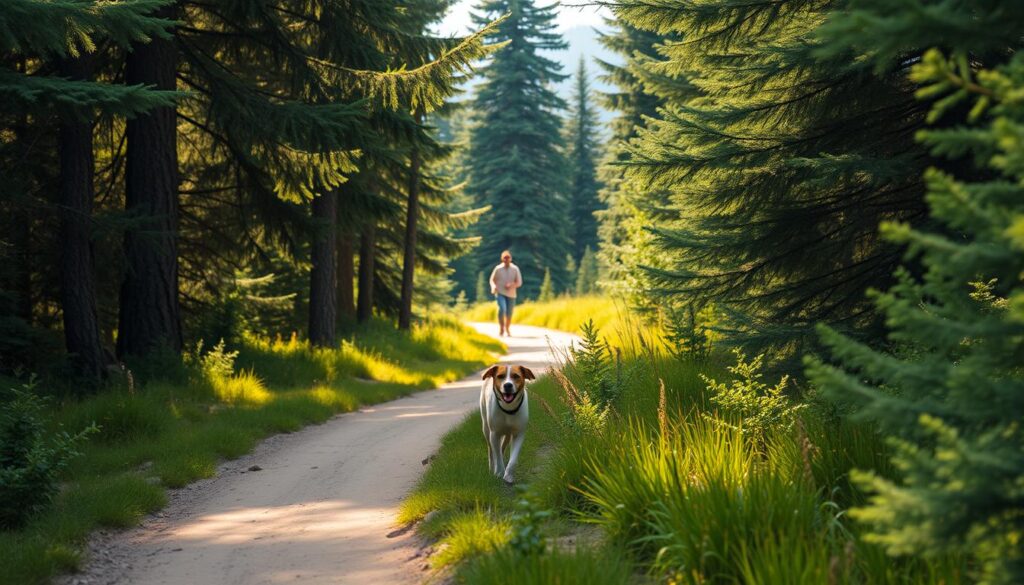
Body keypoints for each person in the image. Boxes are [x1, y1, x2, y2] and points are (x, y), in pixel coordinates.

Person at [489, 250, 522, 337]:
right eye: (505, 259)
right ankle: (501, 328)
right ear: (502, 259)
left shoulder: (515, 269)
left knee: (509, 313)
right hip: (500, 292)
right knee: (502, 309)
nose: (506, 260)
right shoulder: (498, 269)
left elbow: (519, 282)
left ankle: (507, 328)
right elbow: (492, 280)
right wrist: (493, 287)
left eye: (508, 259)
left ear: (510, 259)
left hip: (511, 294)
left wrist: (511, 285)